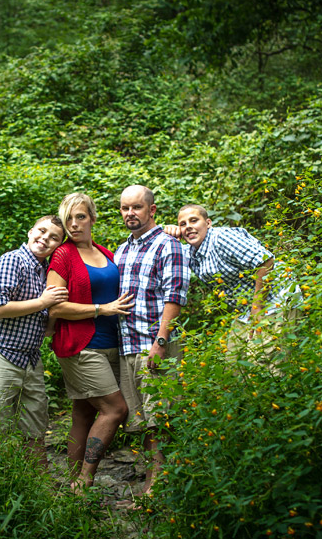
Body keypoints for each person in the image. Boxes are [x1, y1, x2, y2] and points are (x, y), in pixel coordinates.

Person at [46, 193, 133, 491]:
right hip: (81, 346)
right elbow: (55, 307)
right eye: (68, 218)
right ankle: (84, 479)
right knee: (115, 410)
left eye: (80, 216)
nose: (73, 224)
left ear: (93, 218)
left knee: (83, 414)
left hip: (112, 343)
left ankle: (73, 486)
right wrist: (101, 309)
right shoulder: (63, 255)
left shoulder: (106, 253)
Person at [0, 215, 68, 466]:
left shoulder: (45, 272)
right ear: (30, 231)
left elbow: (45, 327)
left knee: (35, 428)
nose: (45, 238)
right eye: (41, 231)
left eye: (54, 237)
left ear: (59, 245)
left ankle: (40, 488)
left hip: (30, 359)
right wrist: (44, 303)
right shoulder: (13, 261)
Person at [115, 185, 189, 496]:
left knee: (160, 418)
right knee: (143, 421)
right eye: (124, 208)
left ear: (152, 210)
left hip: (153, 344)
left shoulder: (167, 245)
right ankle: (153, 482)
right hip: (128, 346)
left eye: (136, 207)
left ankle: (157, 489)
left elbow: (174, 297)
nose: (130, 213)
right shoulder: (121, 250)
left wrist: (160, 342)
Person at [165, 204, 302, 369]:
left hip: (275, 302)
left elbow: (266, 261)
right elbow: (155, 239)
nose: (188, 227)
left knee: (264, 366)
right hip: (246, 311)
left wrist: (257, 309)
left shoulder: (222, 238)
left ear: (208, 223)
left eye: (194, 220)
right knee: (235, 366)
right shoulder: (192, 252)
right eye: (183, 224)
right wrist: (167, 232)